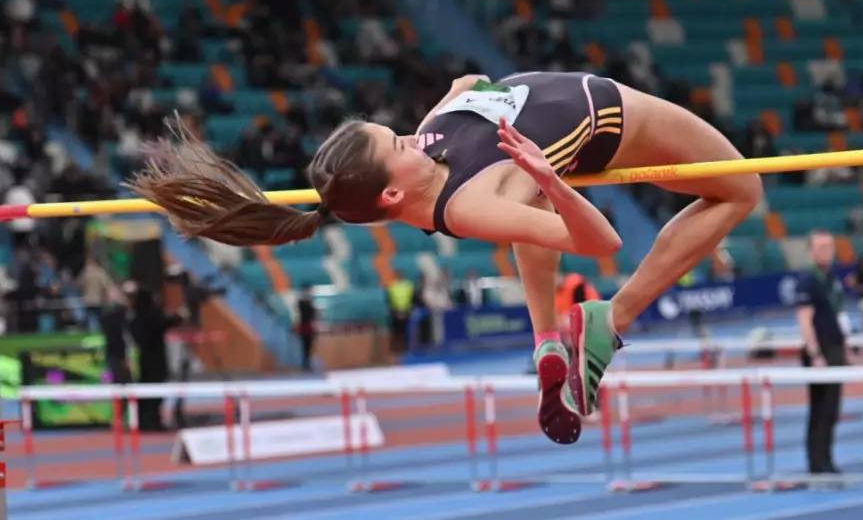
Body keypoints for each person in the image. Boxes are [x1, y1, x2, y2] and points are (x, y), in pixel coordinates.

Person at [124, 72, 762, 445]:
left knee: (529, 204)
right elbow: (601, 244)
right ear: (394, 193)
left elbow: (462, 87)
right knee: (740, 187)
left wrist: (473, 96)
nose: (414, 134)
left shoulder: (426, 158)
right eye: (399, 141)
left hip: (540, 129)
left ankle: (546, 340)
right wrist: (554, 178)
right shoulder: (466, 205)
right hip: (604, 113)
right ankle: (611, 320)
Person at [795, 231, 849, 481]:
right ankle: (817, 463)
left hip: (835, 349)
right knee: (820, 409)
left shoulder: (832, 279)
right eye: (820, 247)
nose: (825, 251)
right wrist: (815, 353)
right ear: (811, 251)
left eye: (829, 246)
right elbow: (804, 320)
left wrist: (845, 349)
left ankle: (826, 459)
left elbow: (838, 314)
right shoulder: (808, 281)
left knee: (832, 410)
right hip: (820, 351)